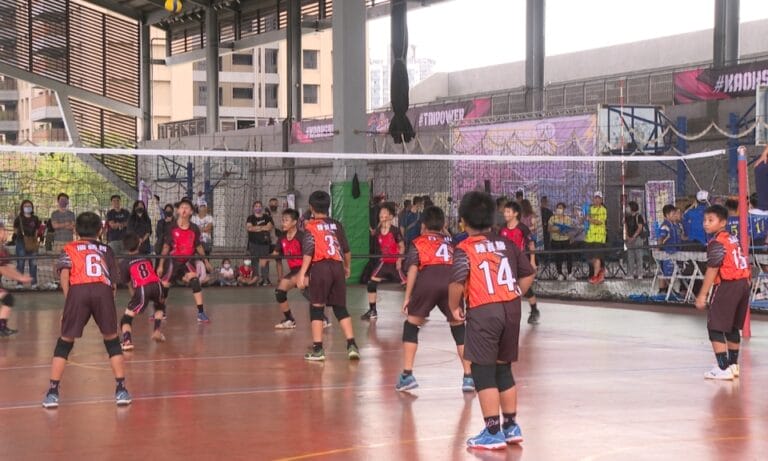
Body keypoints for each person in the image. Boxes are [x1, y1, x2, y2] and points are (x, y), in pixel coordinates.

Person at [448, 192, 535, 450]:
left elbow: (457, 281)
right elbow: (528, 273)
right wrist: (514, 292)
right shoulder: (506, 244)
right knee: (502, 367)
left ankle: (493, 431)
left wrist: (454, 306)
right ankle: (511, 426)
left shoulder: (465, 248)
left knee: (482, 370)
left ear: (463, 221)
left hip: (484, 310)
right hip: (511, 309)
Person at [42, 212, 131, 408]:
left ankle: (52, 392)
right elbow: (113, 283)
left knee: (65, 341)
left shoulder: (69, 248)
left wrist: (70, 302)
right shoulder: (106, 249)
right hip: (102, 290)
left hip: (78, 291)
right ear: (100, 230)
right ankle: (121, 390)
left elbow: (64, 276)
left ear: (75, 229)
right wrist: (108, 302)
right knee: (112, 340)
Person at [396, 206, 474, 392]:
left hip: (428, 280)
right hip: (451, 281)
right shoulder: (452, 242)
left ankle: (407, 375)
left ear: (423, 224)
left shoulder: (418, 242)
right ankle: (469, 377)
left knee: (411, 326)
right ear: (444, 224)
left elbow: (413, 269)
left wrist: (408, 297)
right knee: (459, 329)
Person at [297, 190, 359, 361]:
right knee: (340, 308)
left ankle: (318, 350)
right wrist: (347, 267)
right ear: (328, 206)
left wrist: (302, 274)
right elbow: (346, 250)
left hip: (321, 267)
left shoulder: (310, 226)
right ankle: (352, 345)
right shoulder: (337, 225)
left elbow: (308, 252)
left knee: (316, 308)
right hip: (337, 266)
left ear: (311, 207)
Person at [694, 205, 750, 380]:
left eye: (711, 220)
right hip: (743, 284)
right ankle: (733, 365)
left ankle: (723, 367)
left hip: (728, 285)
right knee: (732, 326)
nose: (706, 223)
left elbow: (713, 268)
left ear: (723, 222)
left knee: (714, 326)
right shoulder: (732, 239)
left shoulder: (716, 242)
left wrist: (702, 294)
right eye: (705, 220)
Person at [272, 208, 331, 329]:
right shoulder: (282, 237)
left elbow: (310, 255)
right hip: (294, 270)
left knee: (306, 291)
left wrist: (304, 273)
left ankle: (323, 319)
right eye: (282, 220)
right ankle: (289, 319)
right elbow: (275, 253)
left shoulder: (302, 236)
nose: (283, 223)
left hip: (307, 268)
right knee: (280, 292)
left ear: (294, 222)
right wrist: (264, 258)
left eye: (286, 220)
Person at [156, 198, 213, 323]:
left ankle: (201, 313)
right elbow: (166, 247)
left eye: (187, 208)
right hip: (173, 261)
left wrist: (206, 262)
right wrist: (160, 265)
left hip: (187, 261)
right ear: (178, 210)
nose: (184, 210)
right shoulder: (171, 227)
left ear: (191, 211)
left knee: (195, 281)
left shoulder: (194, 228)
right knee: (165, 285)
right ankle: (161, 311)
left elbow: (198, 247)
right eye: (182, 207)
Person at [119, 233, 166, 350]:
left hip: (142, 288)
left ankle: (127, 341)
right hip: (157, 285)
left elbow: (128, 282)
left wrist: (134, 294)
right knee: (160, 306)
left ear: (125, 247)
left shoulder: (124, 262)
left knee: (126, 318)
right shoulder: (146, 257)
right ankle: (157, 330)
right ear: (139, 244)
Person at [362, 202, 406, 321]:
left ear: (391, 216)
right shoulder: (378, 230)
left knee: (408, 285)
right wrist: (373, 229)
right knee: (371, 283)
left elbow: (402, 247)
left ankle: (416, 310)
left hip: (395, 263)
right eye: (380, 213)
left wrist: (399, 260)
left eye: (385, 213)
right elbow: (374, 232)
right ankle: (372, 311)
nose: (382, 215)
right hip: (384, 262)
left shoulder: (395, 231)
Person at [500, 201, 540, 324]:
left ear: (515, 213)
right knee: (506, 286)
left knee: (524, 288)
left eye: (508, 212)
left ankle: (534, 310)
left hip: (521, 261)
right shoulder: (502, 228)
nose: (505, 214)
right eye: (505, 211)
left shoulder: (522, 228)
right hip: (506, 262)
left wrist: (532, 261)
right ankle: (505, 313)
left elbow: (531, 244)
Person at [0, 222, 34, 336]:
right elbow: (3, 269)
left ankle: (1, 327)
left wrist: (20, 276)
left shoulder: (3, 249)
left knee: (8, 299)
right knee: (8, 299)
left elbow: (7, 267)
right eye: (3, 230)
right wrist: (19, 277)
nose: (6, 233)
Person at [657, 205, 686, 295]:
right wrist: (658, 251)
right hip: (667, 253)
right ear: (667, 215)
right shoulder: (665, 226)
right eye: (673, 214)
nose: (675, 215)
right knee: (666, 272)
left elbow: (681, 237)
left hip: (676, 252)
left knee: (673, 273)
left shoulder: (676, 225)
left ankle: (670, 290)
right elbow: (660, 239)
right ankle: (664, 291)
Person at [13, 200, 41, 287]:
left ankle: (34, 283)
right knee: (20, 263)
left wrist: (35, 239)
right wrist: (21, 235)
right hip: (21, 242)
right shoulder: (18, 218)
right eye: (26, 206)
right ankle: (19, 283)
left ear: (32, 207)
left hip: (32, 241)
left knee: (33, 263)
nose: (28, 207)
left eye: (29, 206)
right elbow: (15, 229)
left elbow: (37, 230)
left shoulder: (35, 218)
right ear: (22, 207)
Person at [246, 200, 274, 286]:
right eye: (256, 206)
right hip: (253, 243)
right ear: (253, 208)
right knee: (254, 261)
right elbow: (249, 228)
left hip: (264, 243)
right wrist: (262, 227)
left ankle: (265, 279)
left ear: (262, 207)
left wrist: (257, 228)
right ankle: (255, 278)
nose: (258, 208)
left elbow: (269, 227)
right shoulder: (250, 218)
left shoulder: (266, 217)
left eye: (259, 206)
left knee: (264, 261)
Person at [585, 191, 608, 284]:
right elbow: (585, 219)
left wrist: (590, 219)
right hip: (590, 237)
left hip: (599, 237)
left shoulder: (603, 210)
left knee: (597, 257)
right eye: (595, 198)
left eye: (599, 198)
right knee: (591, 259)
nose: (597, 200)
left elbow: (599, 222)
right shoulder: (590, 209)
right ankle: (601, 270)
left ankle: (595, 276)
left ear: (601, 200)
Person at [548, 202, 574, 280]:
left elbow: (570, 229)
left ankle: (569, 273)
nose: (559, 209)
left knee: (569, 257)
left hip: (566, 240)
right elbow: (549, 229)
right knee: (558, 257)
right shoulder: (552, 218)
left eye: (561, 208)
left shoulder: (568, 218)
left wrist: (569, 235)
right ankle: (560, 274)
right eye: (558, 208)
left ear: (564, 209)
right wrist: (557, 230)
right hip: (556, 240)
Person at [624, 201, 646, 280]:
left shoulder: (639, 216)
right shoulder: (627, 217)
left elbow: (640, 228)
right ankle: (630, 274)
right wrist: (627, 236)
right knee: (630, 257)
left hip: (638, 239)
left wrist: (633, 237)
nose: (627, 208)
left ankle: (640, 273)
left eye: (628, 207)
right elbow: (626, 227)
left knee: (639, 256)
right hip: (629, 239)